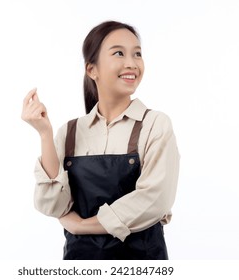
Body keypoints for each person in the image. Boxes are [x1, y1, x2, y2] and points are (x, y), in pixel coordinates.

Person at [21, 21, 180, 260]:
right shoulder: (70, 132)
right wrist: (45, 133)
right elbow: (53, 205)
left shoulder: (155, 124)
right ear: (91, 70)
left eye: (137, 53)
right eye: (119, 53)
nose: (132, 63)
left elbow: (154, 200)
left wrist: (81, 225)